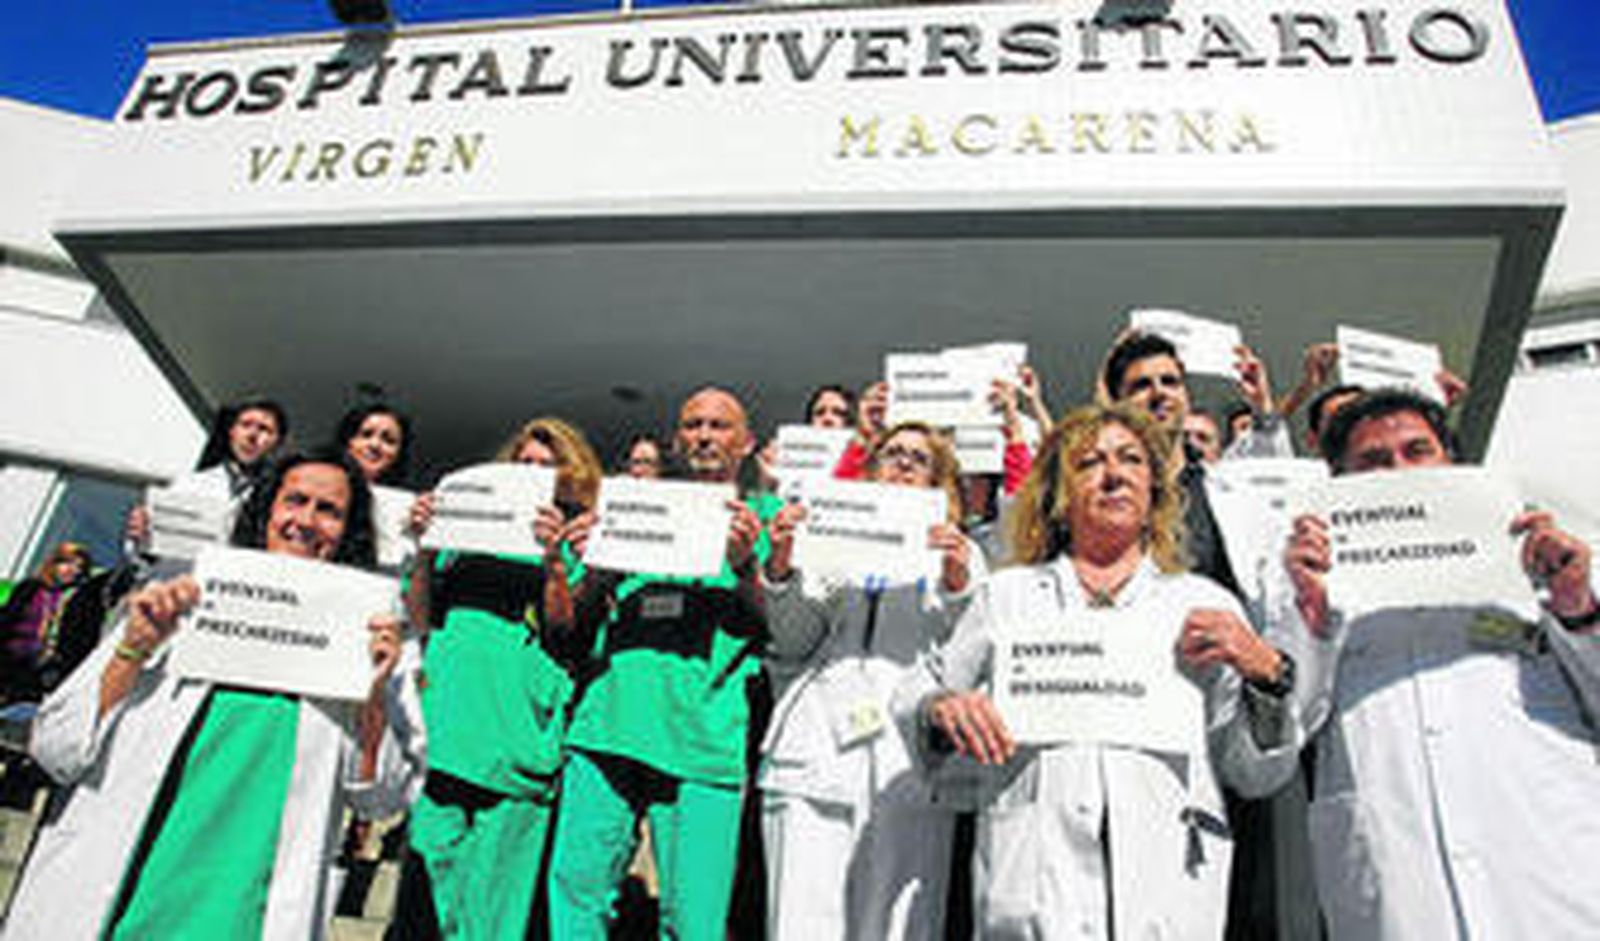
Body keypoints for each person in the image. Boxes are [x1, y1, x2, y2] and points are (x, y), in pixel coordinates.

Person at [895, 404, 1293, 939]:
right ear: (1059, 497)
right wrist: (941, 709)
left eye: (1130, 459)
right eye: (1089, 463)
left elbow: (1252, 771)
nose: (1113, 474)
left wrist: (1267, 677)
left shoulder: (1204, 605)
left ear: (1155, 488)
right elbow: (921, 691)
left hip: (1170, 889)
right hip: (1032, 887)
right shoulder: (1006, 597)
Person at [5, 450, 421, 940]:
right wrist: (133, 649)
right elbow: (56, 750)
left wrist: (371, 695)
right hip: (118, 907)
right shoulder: (180, 599)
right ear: (266, 510)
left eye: (329, 511)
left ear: (348, 531)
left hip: (245, 918)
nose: (306, 521)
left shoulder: (372, 632)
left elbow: (384, 798)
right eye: (295, 501)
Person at [1247, 388, 1600, 938]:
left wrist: (1577, 607)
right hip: (1401, 880)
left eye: (1418, 451)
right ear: (1341, 484)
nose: (1399, 470)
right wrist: (1310, 614)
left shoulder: (1536, 557)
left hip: (1550, 870)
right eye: (1373, 461)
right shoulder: (1304, 576)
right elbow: (1282, 732)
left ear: (1452, 463)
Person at [548, 386, 780, 941]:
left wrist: (748, 567)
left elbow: (784, 629)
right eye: (693, 425)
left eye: (719, 426)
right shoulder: (631, 509)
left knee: (695, 920)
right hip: (609, 725)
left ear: (746, 443)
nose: (704, 435)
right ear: (676, 439)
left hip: (704, 737)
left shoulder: (765, 517)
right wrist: (595, 568)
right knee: (578, 897)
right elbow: (570, 628)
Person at [761, 422, 984, 940]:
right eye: (892, 453)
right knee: (799, 923)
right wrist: (783, 568)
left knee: (900, 928)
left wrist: (956, 583)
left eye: (919, 458)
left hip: (906, 769)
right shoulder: (829, 538)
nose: (903, 463)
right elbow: (793, 640)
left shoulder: (960, 554)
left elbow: (972, 653)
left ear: (941, 482)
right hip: (811, 758)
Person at [398, 417, 601, 940]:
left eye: (546, 465)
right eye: (524, 463)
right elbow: (420, 618)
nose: (532, 472)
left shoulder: (583, 539)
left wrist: (554, 561)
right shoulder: (462, 534)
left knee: (493, 915)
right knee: (423, 900)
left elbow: (567, 631)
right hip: (446, 729)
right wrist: (423, 547)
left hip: (516, 735)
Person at [124, 396, 290, 556]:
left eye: (264, 429)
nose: (252, 435)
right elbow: (141, 557)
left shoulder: (281, 499)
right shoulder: (188, 485)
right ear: (232, 432)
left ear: (278, 441)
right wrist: (141, 537)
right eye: (245, 425)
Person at [0, 542, 92, 702]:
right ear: (54, 563)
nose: (72, 570)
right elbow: (7, 618)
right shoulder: (31, 587)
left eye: (79, 567)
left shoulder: (72, 599)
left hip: (34, 670)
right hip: (8, 656)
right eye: (67, 563)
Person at [335, 403, 414, 487]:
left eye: (388, 440)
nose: (375, 445)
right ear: (348, 441)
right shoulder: (322, 483)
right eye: (366, 434)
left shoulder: (406, 497)